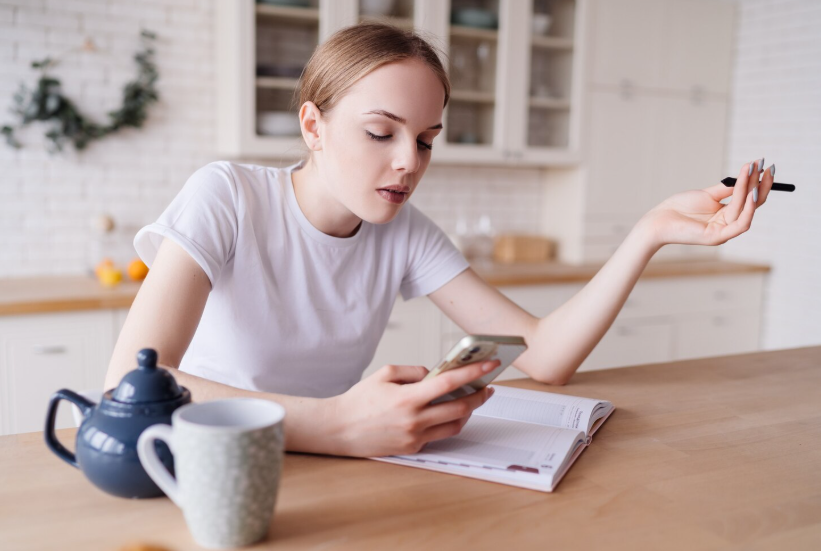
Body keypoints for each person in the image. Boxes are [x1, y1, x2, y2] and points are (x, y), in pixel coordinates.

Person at [104, 23, 773, 458]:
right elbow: (131, 381)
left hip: (332, 466)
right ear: (313, 126)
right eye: (381, 132)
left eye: (425, 140)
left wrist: (649, 232)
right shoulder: (227, 196)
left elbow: (544, 355)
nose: (408, 162)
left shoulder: (403, 232)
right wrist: (339, 424)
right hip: (206, 462)